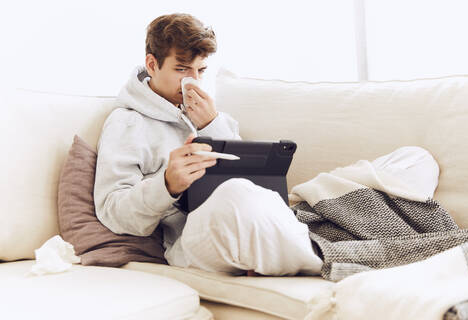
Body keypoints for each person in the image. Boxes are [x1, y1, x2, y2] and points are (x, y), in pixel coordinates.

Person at [94, 13, 439, 276]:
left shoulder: (205, 113)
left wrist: (213, 124)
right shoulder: (127, 123)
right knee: (235, 197)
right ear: (152, 64)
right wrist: (167, 184)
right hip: (196, 235)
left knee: (414, 160)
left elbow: (248, 178)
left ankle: (309, 236)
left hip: (270, 211)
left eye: (201, 70)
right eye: (183, 69)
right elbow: (114, 214)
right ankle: (330, 254)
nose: (193, 82)